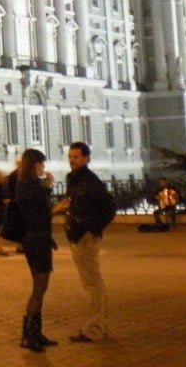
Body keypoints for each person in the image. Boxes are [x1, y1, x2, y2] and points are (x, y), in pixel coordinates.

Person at [53, 141, 111, 343]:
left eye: (76, 157)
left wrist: (93, 229)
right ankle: (98, 325)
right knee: (92, 281)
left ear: (86, 158)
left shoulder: (90, 180)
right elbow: (76, 202)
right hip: (76, 233)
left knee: (92, 283)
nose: (72, 160)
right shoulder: (74, 179)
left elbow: (108, 206)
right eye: (70, 156)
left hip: (83, 235)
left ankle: (94, 329)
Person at [13, 149, 58, 351]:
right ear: (34, 165)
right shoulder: (30, 187)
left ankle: (36, 332)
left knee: (41, 287)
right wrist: (56, 209)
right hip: (37, 239)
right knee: (39, 288)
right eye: (41, 164)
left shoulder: (26, 186)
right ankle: (28, 334)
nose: (44, 167)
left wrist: (47, 188)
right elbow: (39, 215)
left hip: (35, 239)